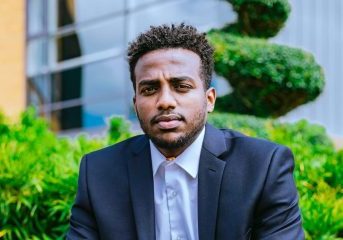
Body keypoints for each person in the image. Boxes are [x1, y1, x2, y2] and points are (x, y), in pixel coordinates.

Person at [67, 23, 304, 240]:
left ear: (209, 99)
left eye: (181, 87)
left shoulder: (263, 167)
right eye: (149, 89)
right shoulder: (98, 173)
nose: (165, 101)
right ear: (135, 101)